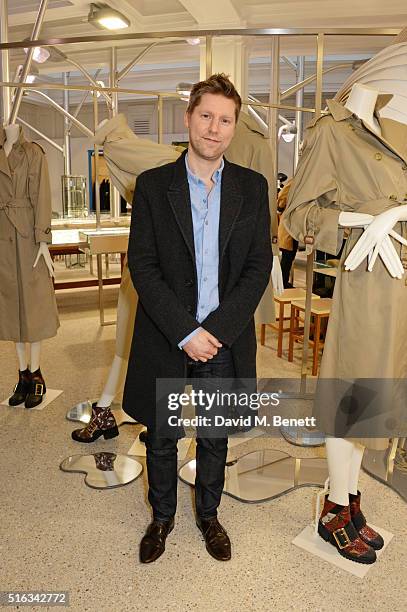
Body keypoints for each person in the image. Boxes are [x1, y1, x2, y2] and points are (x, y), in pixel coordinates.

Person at [122, 74, 272, 563]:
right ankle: (161, 517)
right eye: (206, 116)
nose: (214, 128)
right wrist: (186, 331)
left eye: (225, 119)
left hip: (223, 338)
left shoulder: (252, 188)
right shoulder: (151, 186)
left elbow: (257, 266)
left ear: (234, 127)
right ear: (188, 118)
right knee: (162, 436)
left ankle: (209, 515)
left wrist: (216, 331)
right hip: (169, 334)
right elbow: (141, 264)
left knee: (214, 434)